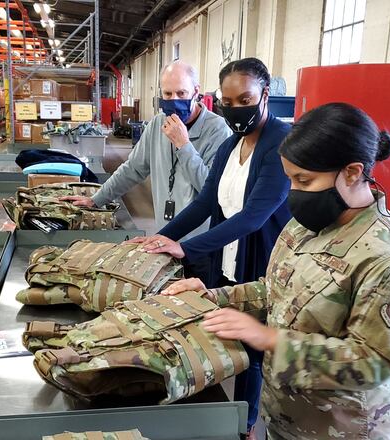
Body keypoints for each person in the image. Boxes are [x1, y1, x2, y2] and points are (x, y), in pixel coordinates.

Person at [162, 103, 390, 440]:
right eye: (290, 180)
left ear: (352, 172)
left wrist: (269, 338)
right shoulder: (305, 225)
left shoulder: (387, 258)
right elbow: (274, 289)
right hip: (287, 416)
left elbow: (371, 361)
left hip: (343, 429)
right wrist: (213, 297)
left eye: (304, 180)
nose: (294, 192)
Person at [130, 58, 292, 436]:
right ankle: (227, 413)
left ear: (265, 95)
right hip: (228, 258)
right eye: (228, 101)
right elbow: (206, 203)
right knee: (228, 339)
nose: (237, 110)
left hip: (261, 259)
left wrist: (187, 249)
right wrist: (166, 236)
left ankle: (248, 425)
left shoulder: (280, 145)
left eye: (246, 99)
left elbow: (253, 217)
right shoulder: (231, 145)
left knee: (254, 352)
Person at [60, 60, 232, 249]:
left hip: (200, 243)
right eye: (167, 93)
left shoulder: (218, 130)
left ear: (196, 91)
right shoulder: (158, 124)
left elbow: (211, 190)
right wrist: (96, 199)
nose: (174, 99)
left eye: (181, 93)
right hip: (165, 236)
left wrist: (184, 145)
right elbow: (132, 169)